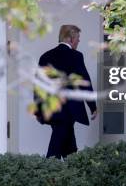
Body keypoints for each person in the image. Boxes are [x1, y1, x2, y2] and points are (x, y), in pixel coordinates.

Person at [35, 25, 97, 159]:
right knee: (55, 148)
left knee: (68, 144)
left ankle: (72, 172)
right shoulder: (76, 56)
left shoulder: (45, 56)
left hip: (50, 109)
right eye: (78, 38)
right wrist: (93, 106)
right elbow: (85, 82)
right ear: (70, 39)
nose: (79, 41)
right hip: (68, 109)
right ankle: (47, 173)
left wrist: (38, 110)